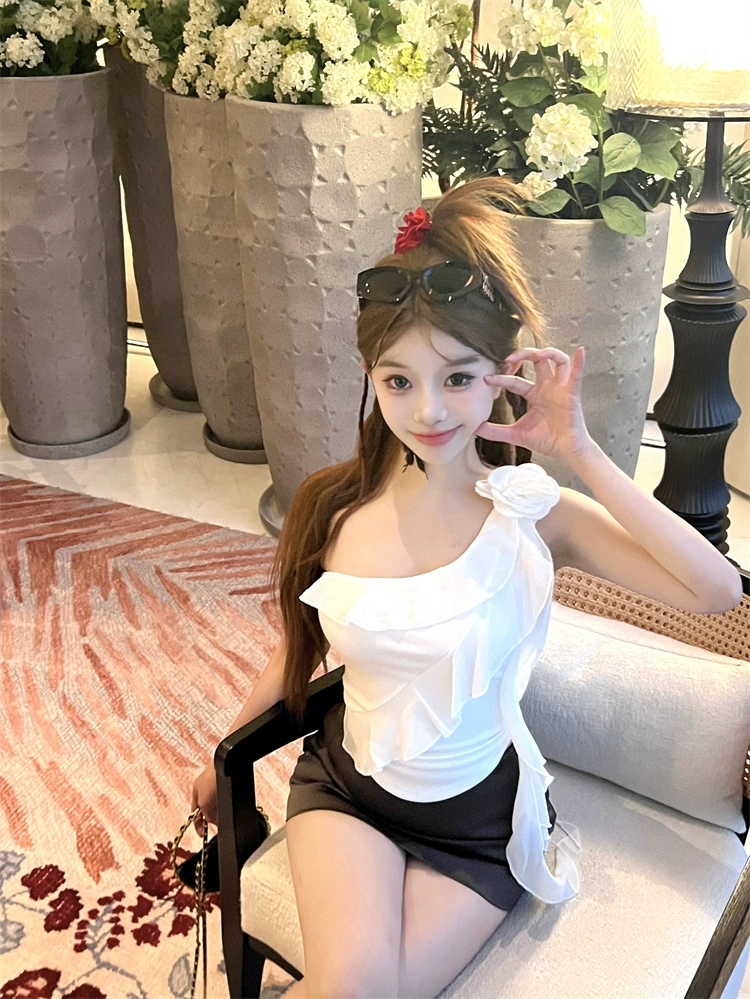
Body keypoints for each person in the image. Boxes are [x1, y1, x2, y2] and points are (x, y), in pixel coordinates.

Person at [191, 177, 742, 999]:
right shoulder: (332, 507)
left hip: (481, 828)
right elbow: (296, 653)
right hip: (348, 789)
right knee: (350, 987)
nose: (428, 410)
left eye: (457, 377)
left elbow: (717, 591)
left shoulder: (534, 513)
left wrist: (580, 449)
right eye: (398, 381)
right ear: (371, 378)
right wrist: (224, 751)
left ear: (501, 372)